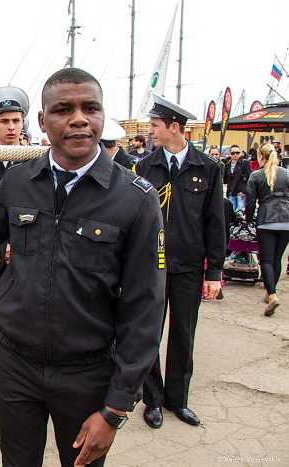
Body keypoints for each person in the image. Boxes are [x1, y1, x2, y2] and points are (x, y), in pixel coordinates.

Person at [0, 68, 165, 467]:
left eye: (90, 108)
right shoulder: (18, 181)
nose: (78, 119)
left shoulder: (135, 199)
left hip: (86, 373)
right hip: (13, 366)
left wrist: (115, 408)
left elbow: (145, 310)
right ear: (43, 122)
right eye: (63, 110)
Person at [133, 93, 225, 430]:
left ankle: (178, 400)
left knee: (184, 335)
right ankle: (153, 400)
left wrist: (214, 272)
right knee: (149, 335)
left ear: (175, 127)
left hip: (189, 265)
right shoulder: (145, 167)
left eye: (155, 126)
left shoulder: (208, 167)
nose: (150, 131)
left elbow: (215, 222)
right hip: (152, 267)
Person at [246, 143, 289, 316]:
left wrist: (248, 219)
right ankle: (270, 291)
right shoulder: (286, 173)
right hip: (286, 220)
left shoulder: (256, 175)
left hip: (266, 221)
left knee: (266, 260)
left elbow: (250, 201)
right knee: (277, 259)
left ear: (260, 156)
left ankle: (272, 295)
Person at [223, 144, 252, 212]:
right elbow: (226, 179)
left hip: (241, 193)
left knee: (240, 212)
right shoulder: (228, 165)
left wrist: (244, 191)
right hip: (231, 193)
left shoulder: (245, 163)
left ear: (240, 153)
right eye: (233, 153)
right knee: (230, 212)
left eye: (237, 153)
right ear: (230, 154)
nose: (235, 155)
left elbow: (249, 178)